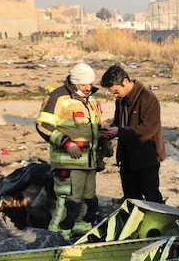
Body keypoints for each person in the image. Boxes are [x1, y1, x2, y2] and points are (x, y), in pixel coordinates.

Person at [35, 62, 104, 238]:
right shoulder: (58, 98)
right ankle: (57, 237)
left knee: (89, 201)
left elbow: (93, 128)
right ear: (74, 83)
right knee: (68, 204)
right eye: (83, 85)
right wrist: (67, 144)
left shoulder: (91, 100)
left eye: (90, 84)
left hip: (90, 163)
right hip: (68, 163)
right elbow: (43, 125)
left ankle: (80, 232)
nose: (88, 88)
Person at [100, 64, 166, 202]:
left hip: (147, 157)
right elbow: (119, 122)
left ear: (125, 81)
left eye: (116, 91)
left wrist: (119, 132)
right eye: (113, 93)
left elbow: (148, 129)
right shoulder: (120, 100)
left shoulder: (148, 98)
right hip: (127, 156)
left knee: (152, 197)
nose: (115, 95)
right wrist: (109, 130)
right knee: (131, 198)